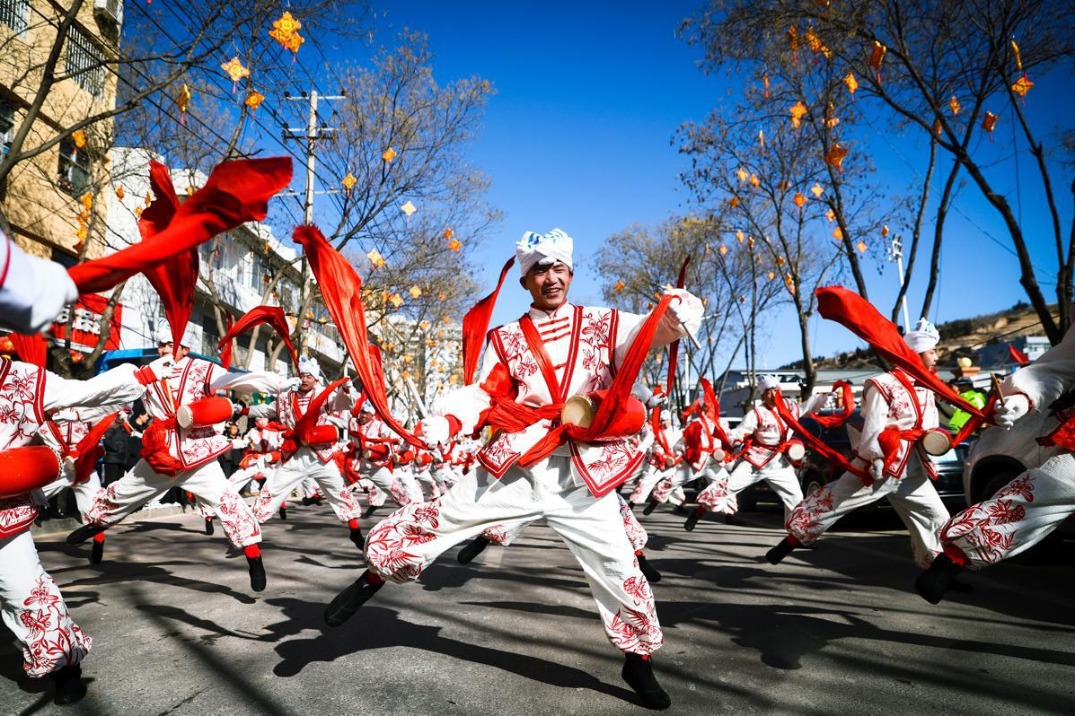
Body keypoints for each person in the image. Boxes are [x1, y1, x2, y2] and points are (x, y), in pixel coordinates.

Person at [323, 228, 702, 710]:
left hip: (583, 475)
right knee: (441, 517)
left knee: (618, 565)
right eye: (540, 269)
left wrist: (675, 312)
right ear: (526, 280)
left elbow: (653, 331)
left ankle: (637, 660)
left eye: (559, 268)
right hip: (520, 462)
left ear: (571, 273)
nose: (551, 277)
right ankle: (371, 579)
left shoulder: (607, 323)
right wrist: (448, 419)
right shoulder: (506, 338)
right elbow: (487, 393)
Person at [67, 320, 292, 592]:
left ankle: (254, 557)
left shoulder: (202, 369)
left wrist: (274, 382)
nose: (164, 349)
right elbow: (116, 400)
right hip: (160, 454)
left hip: (199, 457)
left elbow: (233, 380)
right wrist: (75, 411)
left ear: (185, 348)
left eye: (170, 344)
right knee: (122, 492)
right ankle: (96, 525)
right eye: (161, 344)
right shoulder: (148, 372)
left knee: (229, 502)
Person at [0, 355, 144, 705]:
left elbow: (87, 393)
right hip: (47, 472)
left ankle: (65, 669)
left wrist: (144, 375)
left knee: (27, 592)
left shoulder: (23, 381)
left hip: (16, 499)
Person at [766, 319, 955, 570]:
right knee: (835, 502)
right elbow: (873, 428)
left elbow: (929, 427)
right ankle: (789, 542)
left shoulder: (927, 388)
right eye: (933, 351)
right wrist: (875, 457)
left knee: (938, 518)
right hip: (878, 465)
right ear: (918, 352)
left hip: (911, 469)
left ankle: (936, 572)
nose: (936, 356)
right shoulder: (883, 385)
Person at [915, 318, 1075, 603]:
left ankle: (949, 559)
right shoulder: (891, 385)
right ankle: (951, 556)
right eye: (932, 350)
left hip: (913, 457)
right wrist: (1022, 399)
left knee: (931, 509)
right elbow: (1057, 369)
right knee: (1037, 490)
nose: (937, 355)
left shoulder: (933, 386)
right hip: (896, 458)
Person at [249, 356, 364, 550]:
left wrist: (346, 389)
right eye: (302, 375)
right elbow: (267, 410)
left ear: (315, 378)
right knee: (272, 490)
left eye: (308, 376)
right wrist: (242, 410)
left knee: (339, 492)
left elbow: (343, 402)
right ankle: (249, 533)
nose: (304, 379)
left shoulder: (325, 395)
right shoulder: (287, 397)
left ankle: (355, 531)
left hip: (321, 457)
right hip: (294, 455)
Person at [686, 376, 829, 531]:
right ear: (763, 395)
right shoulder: (757, 413)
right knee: (728, 487)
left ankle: (797, 534)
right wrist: (732, 442)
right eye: (768, 391)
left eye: (775, 390)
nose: (772, 394)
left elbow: (806, 407)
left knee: (796, 497)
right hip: (755, 462)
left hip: (778, 463)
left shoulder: (790, 407)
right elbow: (740, 432)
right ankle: (698, 512)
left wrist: (821, 397)